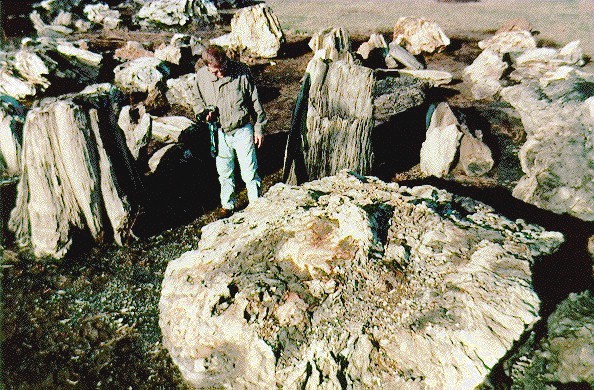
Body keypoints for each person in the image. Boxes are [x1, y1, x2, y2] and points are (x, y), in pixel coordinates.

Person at [194, 45, 267, 218]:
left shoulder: (242, 72)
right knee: (224, 172)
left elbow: (255, 102)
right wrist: (203, 114)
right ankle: (228, 205)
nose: (220, 74)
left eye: (223, 69)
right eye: (215, 72)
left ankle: (256, 206)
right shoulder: (201, 77)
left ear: (226, 60)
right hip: (219, 133)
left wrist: (259, 128)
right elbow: (197, 100)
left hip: (242, 130)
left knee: (249, 171)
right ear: (207, 67)